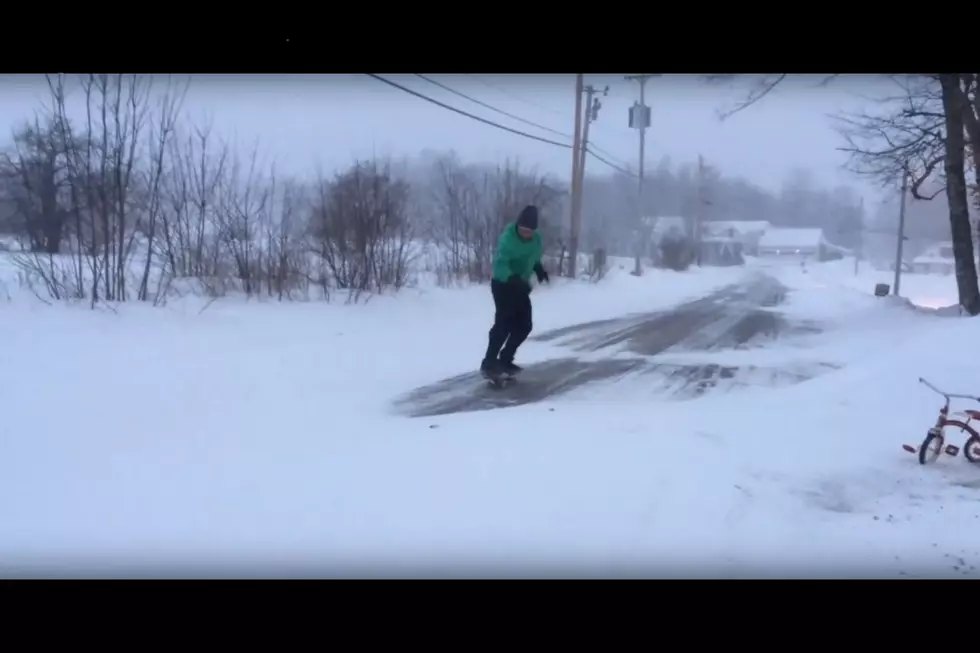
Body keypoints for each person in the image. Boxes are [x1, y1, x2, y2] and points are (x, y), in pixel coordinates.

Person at [481, 204, 549, 376]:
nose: (525, 233)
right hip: (503, 284)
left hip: (521, 287)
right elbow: (500, 263)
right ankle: (489, 363)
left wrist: (539, 269)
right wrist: (512, 278)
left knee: (525, 325)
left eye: (529, 231)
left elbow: (533, 258)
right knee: (504, 324)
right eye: (522, 229)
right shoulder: (508, 239)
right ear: (518, 225)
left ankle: (505, 360)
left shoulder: (536, 240)